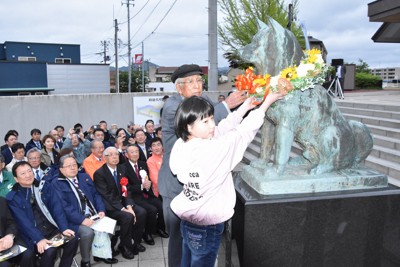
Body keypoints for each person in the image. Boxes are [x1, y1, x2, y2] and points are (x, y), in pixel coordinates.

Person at [170, 94, 283, 266]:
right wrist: (266, 104)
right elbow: (241, 134)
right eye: (205, 122)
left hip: (188, 221)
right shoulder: (212, 150)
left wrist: (244, 107)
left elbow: (220, 131)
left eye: (211, 119)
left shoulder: (181, 144)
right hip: (207, 226)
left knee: (187, 261)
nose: (212, 125)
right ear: (189, 126)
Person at [158, 63, 246, 267]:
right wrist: (226, 106)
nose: (198, 85)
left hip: (201, 185)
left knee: (196, 245)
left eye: (200, 80)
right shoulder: (172, 108)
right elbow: (207, 117)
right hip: (177, 187)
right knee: (179, 243)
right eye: (191, 82)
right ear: (179, 88)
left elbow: (218, 122)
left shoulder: (202, 101)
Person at [6, 161, 79, 267]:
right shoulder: (13, 197)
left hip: (51, 229)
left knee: (73, 238)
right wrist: (38, 238)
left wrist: (64, 228)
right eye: (23, 173)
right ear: (16, 179)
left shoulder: (44, 186)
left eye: (29, 171)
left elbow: (56, 209)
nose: (28, 175)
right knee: (50, 250)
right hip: (31, 235)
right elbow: (24, 223)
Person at [51, 155, 113, 266]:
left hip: (93, 214)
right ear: (61, 169)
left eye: (74, 165)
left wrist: (101, 210)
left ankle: (101, 253)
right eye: (68, 166)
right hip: (74, 219)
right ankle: (85, 260)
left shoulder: (84, 177)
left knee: (109, 225)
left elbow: (96, 195)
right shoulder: (57, 183)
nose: (72, 168)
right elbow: (65, 207)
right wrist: (82, 220)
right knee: (87, 233)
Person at [93, 147, 146, 258]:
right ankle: (125, 246)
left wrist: (129, 206)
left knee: (141, 212)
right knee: (128, 217)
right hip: (111, 207)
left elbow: (126, 190)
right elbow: (107, 196)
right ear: (105, 157)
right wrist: (124, 209)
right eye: (111, 155)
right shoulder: (99, 173)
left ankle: (135, 242)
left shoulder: (122, 169)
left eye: (116, 154)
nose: (114, 157)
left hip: (123, 202)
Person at [123, 144, 168, 246]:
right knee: (152, 210)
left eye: (137, 151)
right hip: (135, 197)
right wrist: (141, 187)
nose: (135, 154)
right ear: (126, 154)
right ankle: (147, 233)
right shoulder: (123, 168)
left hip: (147, 193)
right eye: (132, 152)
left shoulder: (143, 164)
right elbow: (126, 187)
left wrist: (148, 185)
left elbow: (148, 179)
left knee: (161, 206)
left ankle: (159, 228)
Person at [0, 196, 36, 267]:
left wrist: (9, 235)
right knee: (4, 265)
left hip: (5, 242)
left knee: (28, 254)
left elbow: (11, 222)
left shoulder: (1, 201)